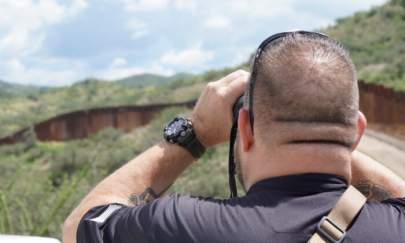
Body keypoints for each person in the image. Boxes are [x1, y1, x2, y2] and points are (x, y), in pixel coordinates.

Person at [63, 31, 405, 243]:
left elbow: (79, 226)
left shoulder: (182, 225)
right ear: (357, 131)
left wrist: (193, 132)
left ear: (244, 127)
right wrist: (332, 133)